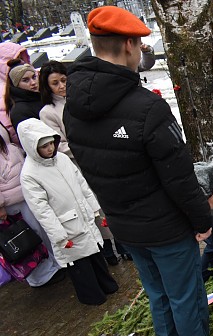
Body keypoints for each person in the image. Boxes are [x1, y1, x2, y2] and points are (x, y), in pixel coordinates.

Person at [63, 6, 213, 336]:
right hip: (165, 229)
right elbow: (179, 179)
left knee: (159, 297)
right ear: (129, 45)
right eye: (141, 44)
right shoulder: (148, 108)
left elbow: (93, 169)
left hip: (126, 227)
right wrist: (202, 220)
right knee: (185, 299)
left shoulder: (73, 106)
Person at [38, 60, 132, 266]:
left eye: (64, 80)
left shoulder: (80, 98)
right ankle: (107, 250)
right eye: (55, 83)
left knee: (110, 200)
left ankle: (125, 244)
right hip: (76, 164)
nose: (61, 86)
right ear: (47, 87)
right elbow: (57, 144)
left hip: (99, 157)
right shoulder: (48, 112)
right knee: (93, 207)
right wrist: (85, 145)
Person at [18, 119, 118, 304]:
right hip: (64, 225)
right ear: (32, 147)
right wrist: (58, 235)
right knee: (80, 264)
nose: (50, 149)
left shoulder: (62, 159)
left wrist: (94, 209)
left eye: (51, 143)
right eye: (44, 146)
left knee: (95, 254)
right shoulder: (29, 174)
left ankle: (107, 286)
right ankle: (92, 297)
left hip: (82, 215)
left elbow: (81, 183)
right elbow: (41, 209)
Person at [0, 121, 63, 287]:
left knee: (40, 231)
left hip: (27, 195)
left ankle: (54, 264)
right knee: (26, 239)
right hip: (10, 205)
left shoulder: (10, 148)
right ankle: (39, 277)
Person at [0, 42, 29, 144]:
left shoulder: (32, 80)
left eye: (22, 58)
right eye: (16, 59)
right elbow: (11, 129)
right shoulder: (4, 92)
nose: (20, 62)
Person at [4, 59, 41, 130]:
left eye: (34, 77)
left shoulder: (42, 96)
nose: (33, 82)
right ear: (16, 84)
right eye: (25, 80)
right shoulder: (19, 111)